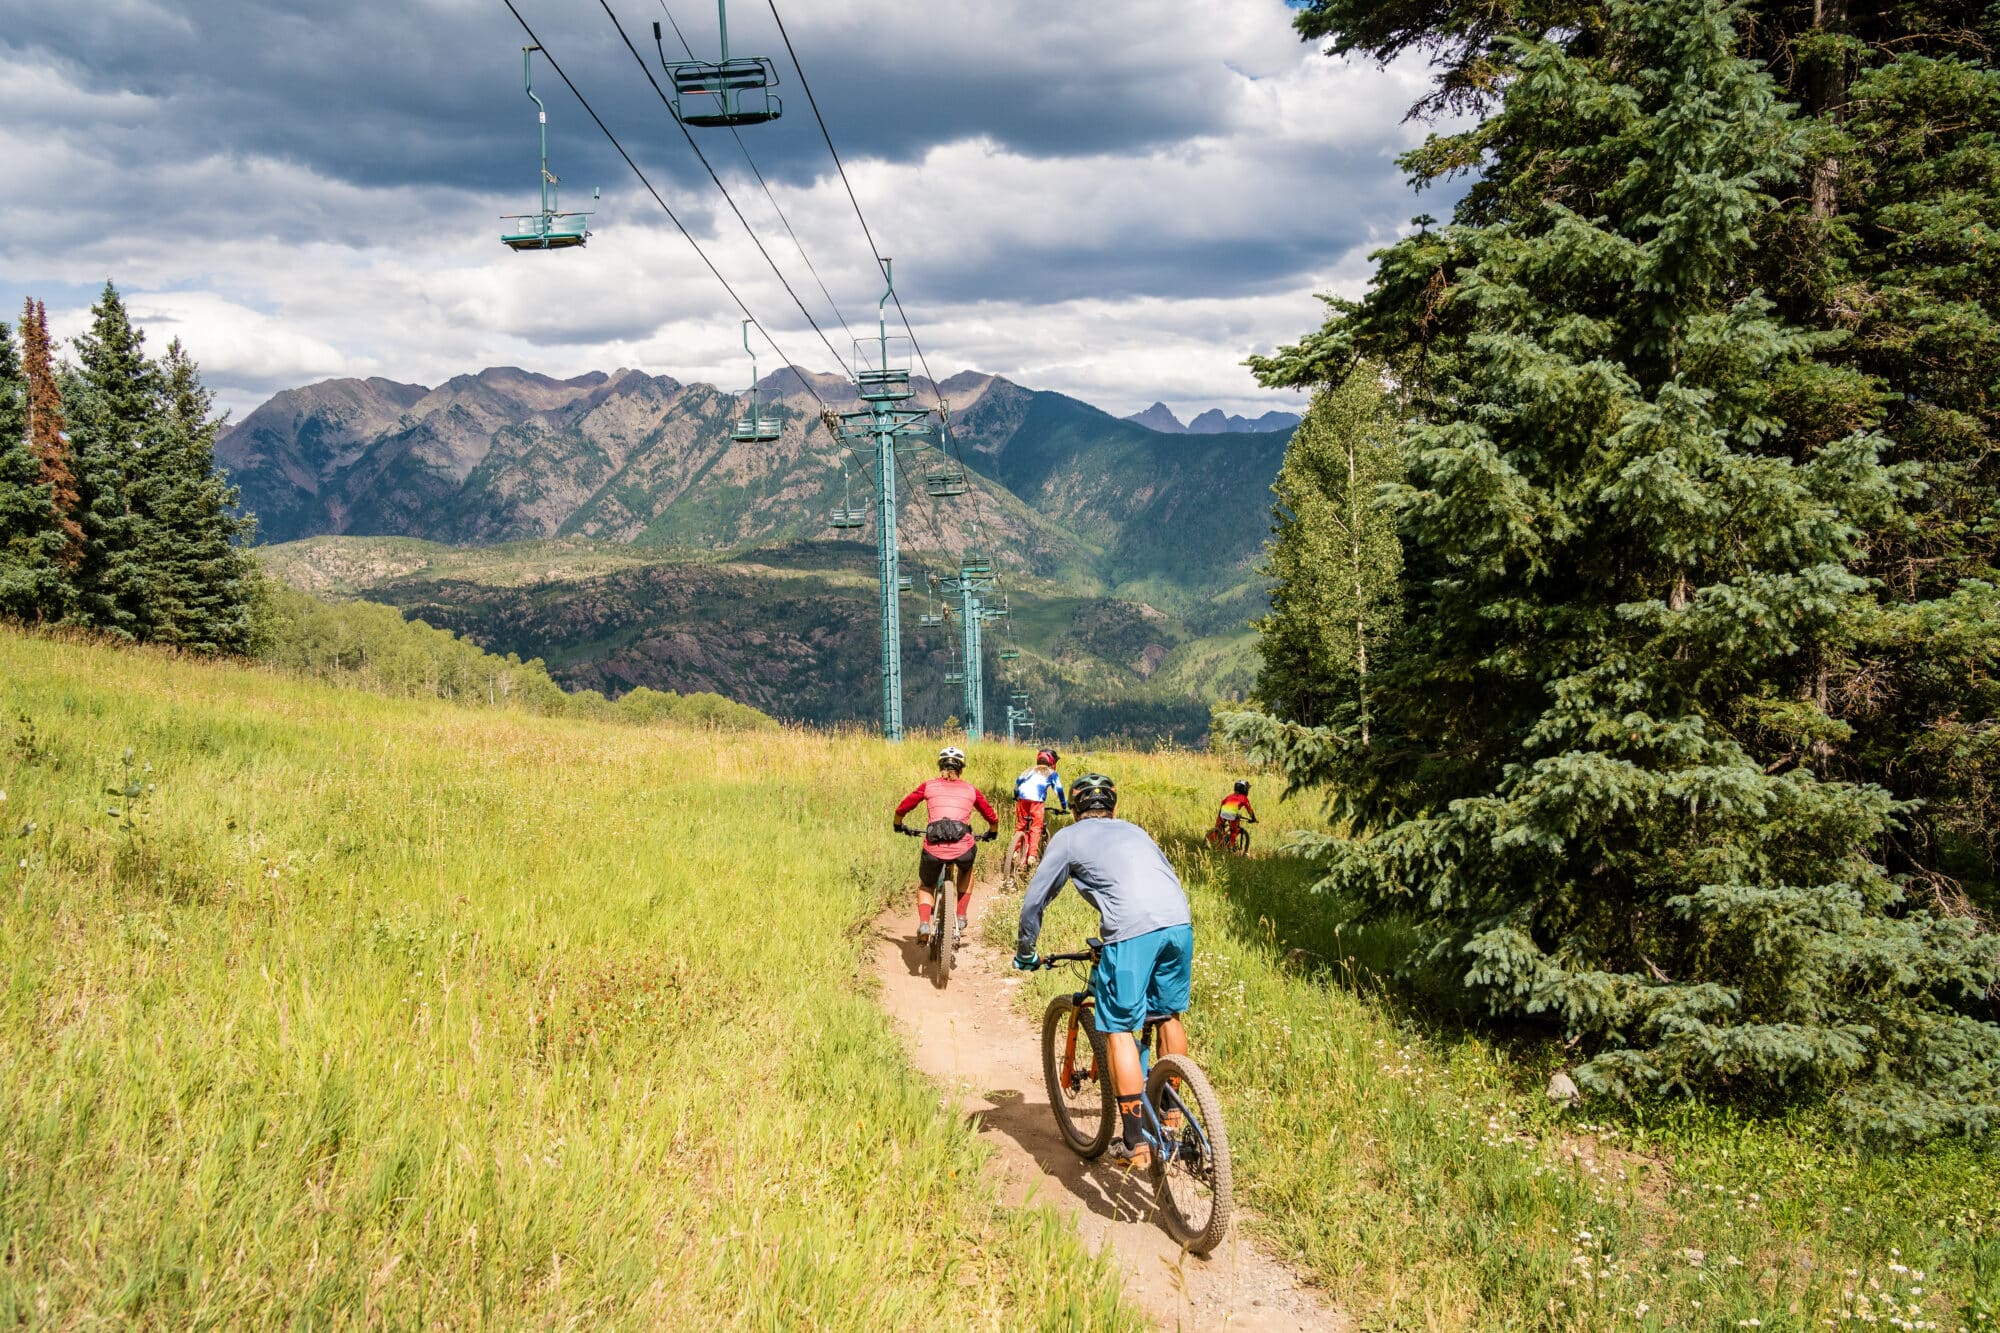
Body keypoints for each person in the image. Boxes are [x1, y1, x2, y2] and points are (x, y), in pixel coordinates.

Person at [1013, 773, 1192, 1170]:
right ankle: (1171, 1115)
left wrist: (1026, 951)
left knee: (1118, 1030)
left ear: (1076, 809)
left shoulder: (1068, 838)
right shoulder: (1136, 831)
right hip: (1179, 923)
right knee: (1167, 1015)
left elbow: (1034, 901)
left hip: (1132, 931)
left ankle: (1133, 1142)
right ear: (1113, 807)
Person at [893, 746, 999, 942]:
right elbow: (992, 817)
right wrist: (992, 833)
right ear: (961, 769)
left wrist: (898, 824)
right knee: (967, 871)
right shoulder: (970, 789)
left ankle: (925, 923)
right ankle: (960, 915)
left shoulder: (929, 786)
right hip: (963, 849)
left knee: (926, 884)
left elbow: (903, 807)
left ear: (940, 766)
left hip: (933, 849)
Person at [1010, 747, 1068, 869]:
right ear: (1052, 762)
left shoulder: (1028, 770)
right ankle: (1032, 856)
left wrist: (1016, 796)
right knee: (1036, 827)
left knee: (1021, 825)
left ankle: (1014, 852)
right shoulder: (1052, 773)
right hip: (1037, 801)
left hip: (1022, 799)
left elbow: (1017, 784)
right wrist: (1064, 806)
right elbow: (1059, 791)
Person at [1211, 779, 1258, 849]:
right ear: (1245, 790)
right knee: (1234, 831)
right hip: (1232, 815)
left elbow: (1222, 802)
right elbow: (1249, 810)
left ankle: (1209, 842)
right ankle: (1230, 846)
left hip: (1222, 812)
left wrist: (1219, 815)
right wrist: (1253, 818)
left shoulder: (1230, 795)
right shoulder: (1244, 798)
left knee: (1218, 829)